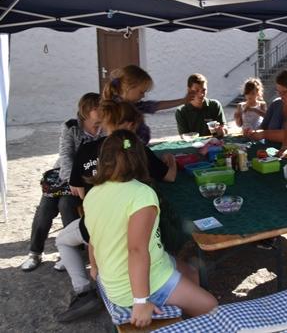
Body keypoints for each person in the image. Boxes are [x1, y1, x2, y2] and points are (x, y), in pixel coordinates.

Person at [54, 101, 176, 323]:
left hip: (96, 227)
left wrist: (99, 205)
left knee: (62, 241)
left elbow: (77, 189)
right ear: (129, 125)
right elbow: (169, 176)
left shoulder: (85, 149)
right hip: (132, 228)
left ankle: (84, 290)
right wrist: (172, 161)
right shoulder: (135, 148)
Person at [84, 130, 217, 328]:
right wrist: (141, 301)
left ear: (103, 159)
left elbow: (93, 239)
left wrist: (95, 268)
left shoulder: (93, 194)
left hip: (122, 275)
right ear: (140, 159)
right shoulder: (142, 194)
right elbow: (136, 250)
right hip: (135, 286)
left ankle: (183, 314)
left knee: (191, 271)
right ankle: (183, 321)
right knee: (211, 307)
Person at [20, 93, 102, 272]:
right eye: (98, 108)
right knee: (45, 208)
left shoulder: (105, 128)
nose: (102, 111)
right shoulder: (71, 127)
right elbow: (65, 155)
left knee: (66, 204)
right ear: (86, 111)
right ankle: (35, 252)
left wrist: (80, 181)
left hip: (89, 179)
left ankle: (70, 252)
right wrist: (71, 180)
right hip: (65, 177)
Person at [102, 65, 192, 144]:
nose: (143, 96)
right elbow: (121, 140)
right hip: (128, 151)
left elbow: (157, 105)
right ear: (129, 88)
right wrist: (130, 149)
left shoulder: (134, 105)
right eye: (141, 92)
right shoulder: (118, 109)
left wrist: (183, 101)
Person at [245, 70, 287, 143]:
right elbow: (263, 127)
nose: (281, 95)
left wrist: (264, 134)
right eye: (278, 92)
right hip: (268, 149)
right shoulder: (276, 104)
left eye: (284, 92)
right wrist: (252, 133)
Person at [175, 73, 227, 137]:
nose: (201, 94)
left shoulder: (215, 105)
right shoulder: (181, 111)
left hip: (214, 142)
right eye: (196, 90)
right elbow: (184, 136)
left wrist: (222, 130)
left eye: (204, 90)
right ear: (189, 90)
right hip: (194, 143)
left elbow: (224, 127)